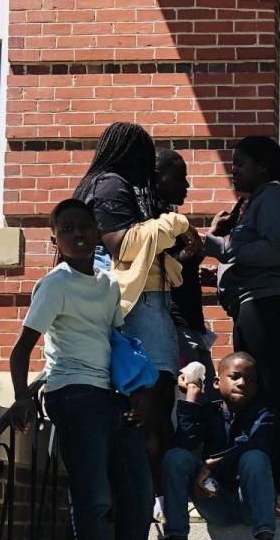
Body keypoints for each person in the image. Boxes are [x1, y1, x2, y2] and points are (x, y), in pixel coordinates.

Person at [7, 199, 186, 540]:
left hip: (112, 397)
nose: (78, 235)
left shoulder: (108, 284)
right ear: (54, 238)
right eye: (67, 229)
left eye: (85, 227)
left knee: (138, 496)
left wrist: (138, 390)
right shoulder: (56, 284)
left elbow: (116, 342)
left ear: (96, 230)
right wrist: (21, 397)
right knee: (94, 501)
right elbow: (21, 350)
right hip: (74, 397)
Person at [74, 123, 201, 507]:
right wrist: (177, 224)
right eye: (146, 158)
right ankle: (156, 502)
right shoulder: (111, 184)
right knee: (152, 403)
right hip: (140, 307)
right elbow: (122, 245)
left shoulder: (105, 185)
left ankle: (145, 500)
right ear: (133, 155)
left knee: (149, 403)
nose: (148, 168)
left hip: (141, 304)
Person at [202, 136, 280, 521]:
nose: (234, 169)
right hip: (261, 306)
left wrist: (221, 247)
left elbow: (279, 248)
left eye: (240, 163)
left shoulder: (272, 196)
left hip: (267, 308)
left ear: (264, 167)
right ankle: (263, 487)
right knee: (263, 398)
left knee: (270, 399)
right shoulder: (266, 197)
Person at [145, 352, 280, 540]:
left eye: (250, 380)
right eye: (235, 376)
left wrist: (209, 465)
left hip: (251, 503)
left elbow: (254, 442)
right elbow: (184, 444)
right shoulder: (208, 411)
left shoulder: (264, 412)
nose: (242, 383)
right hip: (214, 501)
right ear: (216, 382)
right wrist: (191, 398)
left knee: (255, 457)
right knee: (176, 456)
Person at [154, 148, 216, 392]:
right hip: (176, 328)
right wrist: (188, 255)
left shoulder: (170, 216)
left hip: (190, 325)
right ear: (156, 177)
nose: (186, 184)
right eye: (179, 178)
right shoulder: (153, 220)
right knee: (195, 402)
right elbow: (157, 271)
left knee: (206, 401)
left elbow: (177, 266)